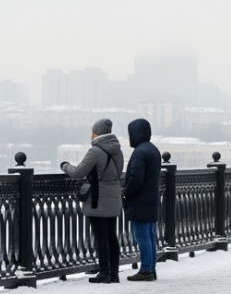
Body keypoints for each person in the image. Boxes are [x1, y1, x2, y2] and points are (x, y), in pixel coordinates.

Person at [61, 118, 125, 284]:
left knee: (101, 237)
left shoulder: (95, 151)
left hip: (98, 198)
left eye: (92, 132)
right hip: (113, 197)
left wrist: (64, 165)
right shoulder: (118, 151)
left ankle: (103, 273)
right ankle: (114, 273)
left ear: (96, 133)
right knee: (111, 236)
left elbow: (77, 172)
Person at [123, 118, 161, 281]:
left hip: (141, 200)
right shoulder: (153, 150)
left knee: (142, 237)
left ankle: (145, 270)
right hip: (151, 199)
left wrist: (126, 192)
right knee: (150, 235)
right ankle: (151, 268)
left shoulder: (139, 152)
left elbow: (136, 178)